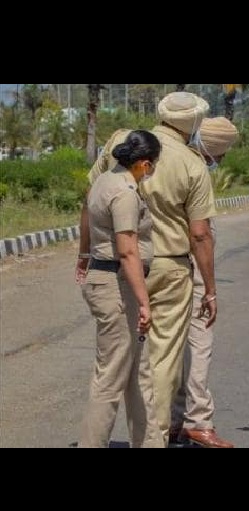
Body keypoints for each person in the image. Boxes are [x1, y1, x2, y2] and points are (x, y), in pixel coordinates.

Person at [83, 91, 217, 445]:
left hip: (117, 269)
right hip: (168, 268)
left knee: (126, 363)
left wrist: (83, 254)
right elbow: (200, 234)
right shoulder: (192, 164)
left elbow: (90, 198)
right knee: (158, 361)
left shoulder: (120, 142)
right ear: (195, 125)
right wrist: (210, 287)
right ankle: (151, 437)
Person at [76, 130, 165, 448]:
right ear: (144, 163)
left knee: (138, 374)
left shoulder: (104, 180)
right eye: (153, 164)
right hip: (118, 286)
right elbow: (128, 251)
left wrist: (83, 256)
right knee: (110, 380)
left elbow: (86, 218)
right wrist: (144, 302)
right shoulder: (125, 191)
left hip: (110, 279)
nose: (152, 170)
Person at [170, 117, 239, 448]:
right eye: (222, 156)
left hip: (162, 265)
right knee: (199, 343)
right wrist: (211, 289)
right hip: (191, 266)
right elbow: (200, 234)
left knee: (171, 346)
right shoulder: (197, 170)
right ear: (215, 153)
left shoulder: (170, 159)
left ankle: (172, 419)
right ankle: (198, 420)